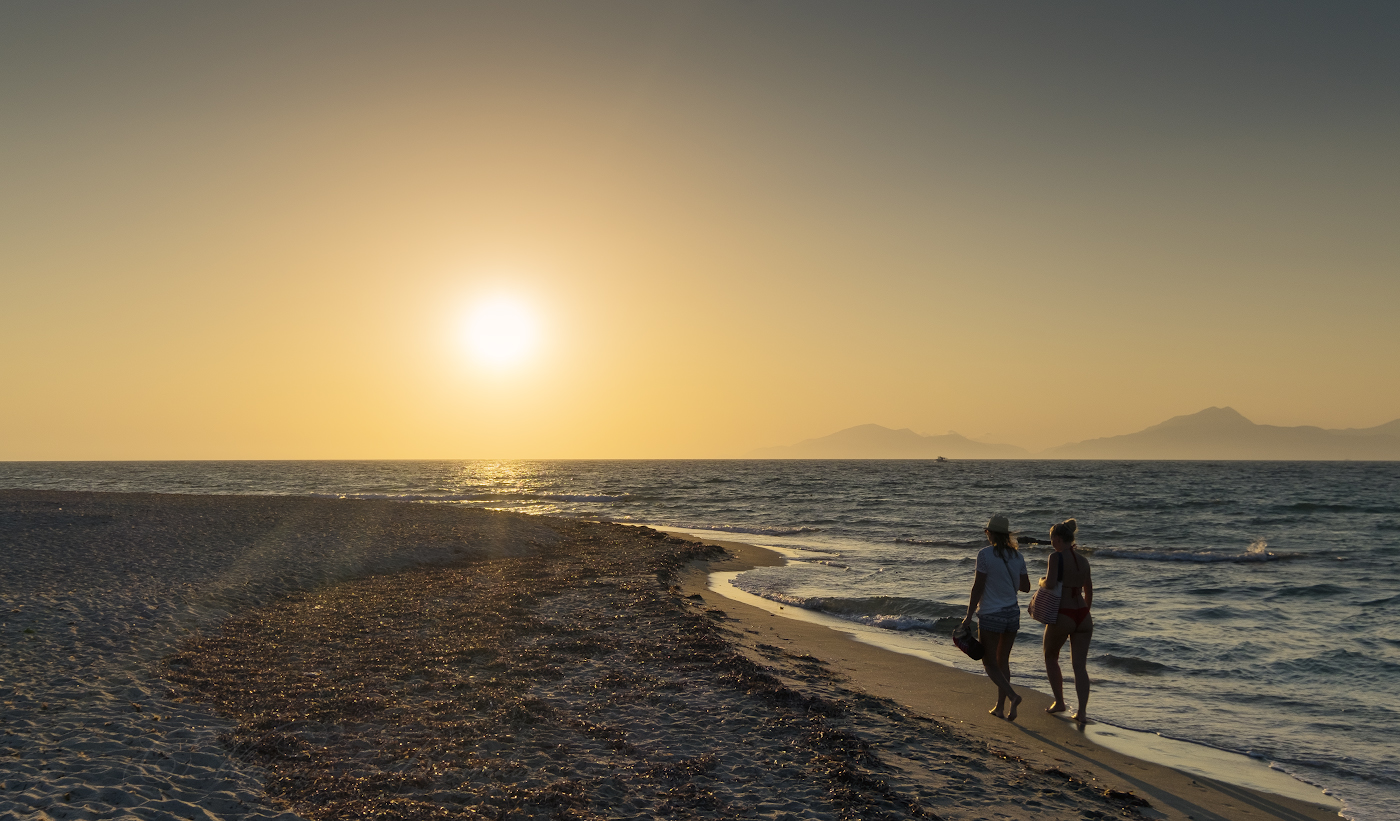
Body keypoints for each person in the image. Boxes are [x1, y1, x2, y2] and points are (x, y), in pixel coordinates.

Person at [962, 514, 1031, 720]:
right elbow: (1026, 587)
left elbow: (978, 587)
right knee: (1003, 662)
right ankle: (1000, 708)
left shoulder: (984, 555)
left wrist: (968, 616)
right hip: (1012, 614)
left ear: (989, 533)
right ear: (1007, 535)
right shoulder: (1018, 557)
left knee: (989, 664)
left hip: (991, 614)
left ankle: (1012, 696)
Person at [1041, 518, 1093, 724]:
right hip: (1082, 615)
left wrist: (1041, 581)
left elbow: (1051, 583)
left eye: (1052, 539)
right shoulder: (1083, 560)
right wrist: (1085, 611)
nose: (1051, 543)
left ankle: (1060, 702)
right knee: (1080, 667)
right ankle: (1082, 712)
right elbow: (1088, 589)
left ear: (1058, 538)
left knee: (1050, 656)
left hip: (1063, 612)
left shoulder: (1056, 557)